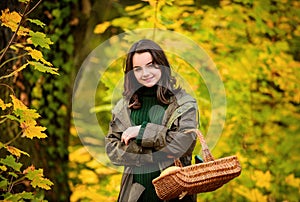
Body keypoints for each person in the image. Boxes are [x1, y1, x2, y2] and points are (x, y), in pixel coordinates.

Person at [105, 39, 198, 202]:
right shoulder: (125, 106)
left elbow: (182, 144)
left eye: (151, 65)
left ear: (162, 65)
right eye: (138, 69)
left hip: (175, 195)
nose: (145, 73)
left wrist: (141, 132)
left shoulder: (183, 103)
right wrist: (154, 155)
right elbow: (113, 150)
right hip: (135, 195)